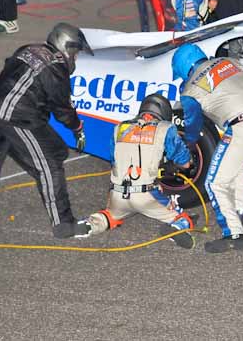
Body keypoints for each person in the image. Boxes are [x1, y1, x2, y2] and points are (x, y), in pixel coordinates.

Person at [0, 22, 92, 238]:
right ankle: (64, 225)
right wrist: (76, 127)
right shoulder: (56, 67)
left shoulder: (27, 49)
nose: (74, 58)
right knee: (50, 166)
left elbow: (10, 69)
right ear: (65, 45)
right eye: (74, 52)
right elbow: (62, 109)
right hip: (19, 119)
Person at [171, 43, 243, 253]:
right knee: (242, 164)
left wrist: (189, 146)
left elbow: (192, 125)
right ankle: (238, 211)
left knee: (214, 183)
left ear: (184, 69)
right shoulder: (231, 62)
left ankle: (234, 234)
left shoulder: (191, 88)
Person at [77, 94, 198, 249]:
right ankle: (177, 227)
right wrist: (173, 166)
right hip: (145, 195)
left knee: (109, 216)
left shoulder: (120, 128)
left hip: (118, 194)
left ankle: (89, 225)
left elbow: (115, 161)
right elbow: (185, 163)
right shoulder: (165, 129)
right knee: (182, 216)